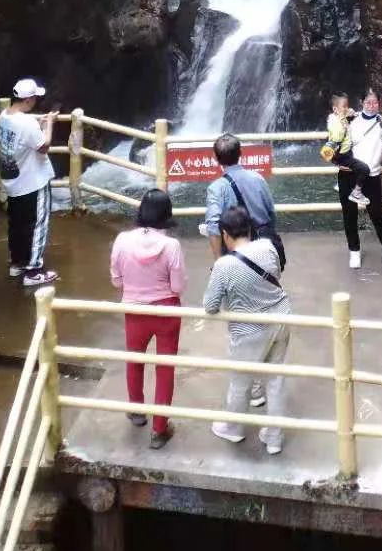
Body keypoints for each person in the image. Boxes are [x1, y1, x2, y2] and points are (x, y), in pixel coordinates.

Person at [202, 205, 291, 455]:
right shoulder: (268, 247)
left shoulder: (224, 266)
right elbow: (275, 275)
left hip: (249, 330)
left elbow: (210, 306)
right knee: (275, 379)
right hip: (281, 318)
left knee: (240, 381)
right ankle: (274, 438)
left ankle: (234, 428)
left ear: (225, 234)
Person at [109, 189, 186, 450]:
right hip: (166, 312)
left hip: (135, 311)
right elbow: (177, 287)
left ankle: (137, 411)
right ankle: (159, 429)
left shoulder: (121, 240)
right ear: (167, 215)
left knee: (135, 360)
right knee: (164, 369)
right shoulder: (172, 246)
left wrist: (133, 288)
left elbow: (116, 279)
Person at [338, 88, 382, 270]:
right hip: (348, 173)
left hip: (371, 175)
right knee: (349, 214)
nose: (372, 106)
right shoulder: (351, 119)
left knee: (377, 213)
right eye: (368, 102)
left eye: (375, 102)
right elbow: (336, 137)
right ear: (362, 102)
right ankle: (354, 251)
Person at [0, 78, 58, 289]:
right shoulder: (27, 123)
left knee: (18, 224)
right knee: (38, 224)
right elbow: (44, 145)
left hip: (13, 181)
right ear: (29, 99)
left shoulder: (5, 116)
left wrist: (38, 124)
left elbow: (24, 136)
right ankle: (34, 270)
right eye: (35, 98)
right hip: (33, 182)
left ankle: (17, 263)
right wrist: (49, 124)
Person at [204, 133, 285, 269]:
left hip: (236, 253)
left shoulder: (216, 188)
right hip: (264, 247)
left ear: (216, 158)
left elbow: (213, 227)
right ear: (240, 153)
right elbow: (271, 213)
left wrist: (219, 262)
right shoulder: (258, 178)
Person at [323, 92, 370, 208]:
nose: (347, 108)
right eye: (344, 106)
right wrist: (344, 124)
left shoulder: (340, 119)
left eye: (347, 106)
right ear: (335, 109)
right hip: (343, 156)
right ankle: (357, 193)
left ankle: (341, 185)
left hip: (346, 153)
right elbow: (337, 138)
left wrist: (349, 116)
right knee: (364, 169)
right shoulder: (336, 123)